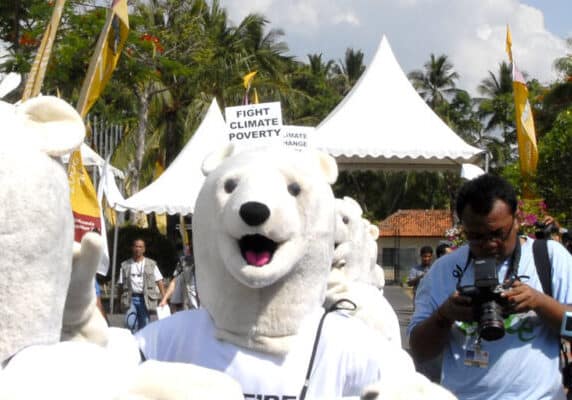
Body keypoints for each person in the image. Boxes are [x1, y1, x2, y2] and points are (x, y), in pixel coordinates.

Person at [408, 173, 572, 399]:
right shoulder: (444, 270)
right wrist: (444, 315)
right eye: (476, 236)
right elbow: (419, 350)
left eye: (497, 234)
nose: (489, 244)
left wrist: (540, 303)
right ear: (463, 228)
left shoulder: (550, 258)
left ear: (516, 220)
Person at [118, 238, 165, 333]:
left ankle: (141, 345)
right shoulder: (125, 265)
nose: (138, 249)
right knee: (130, 323)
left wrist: (164, 298)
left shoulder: (151, 264)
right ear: (132, 248)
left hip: (145, 299)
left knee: (145, 326)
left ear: (144, 249)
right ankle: (133, 343)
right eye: (136, 246)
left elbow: (159, 281)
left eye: (140, 247)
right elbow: (120, 285)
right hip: (130, 298)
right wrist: (118, 301)